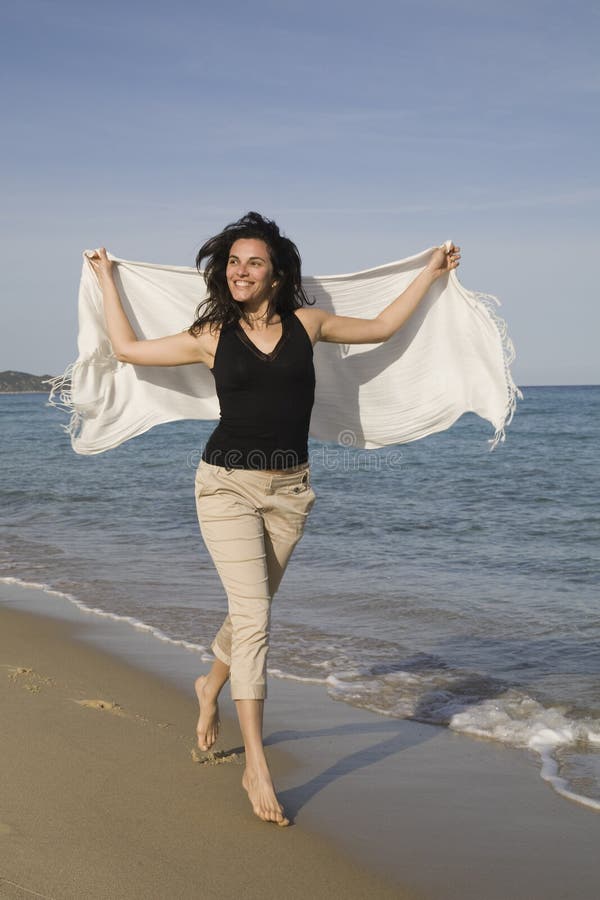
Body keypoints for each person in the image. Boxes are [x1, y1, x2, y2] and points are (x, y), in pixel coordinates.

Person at [89, 212, 460, 827]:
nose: (240, 271)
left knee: (249, 609)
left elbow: (384, 327)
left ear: (277, 273)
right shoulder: (211, 334)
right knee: (257, 617)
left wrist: (430, 272)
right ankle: (255, 762)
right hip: (225, 486)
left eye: (252, 262)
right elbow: (127, 350)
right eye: (232, 262)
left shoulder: (307, 325)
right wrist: (106, 277)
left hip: (291, 492)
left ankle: (209, 686)